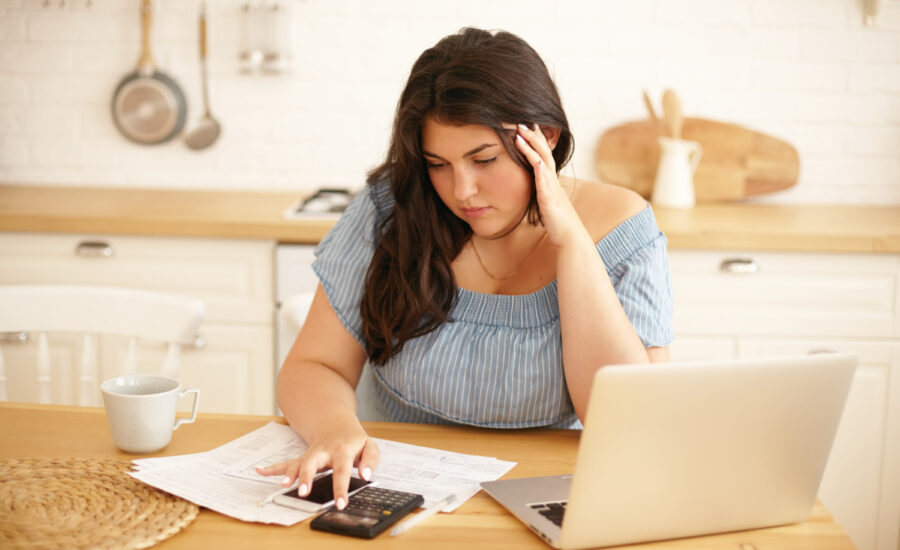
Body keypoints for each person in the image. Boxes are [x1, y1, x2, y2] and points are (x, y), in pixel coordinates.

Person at [257, 27, 673, 510]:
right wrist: (334, 430)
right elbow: (314, 364)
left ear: (545, 138)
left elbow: (624, 426)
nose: (462, 191)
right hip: (390, 490)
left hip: (546, 496)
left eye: (484, 159)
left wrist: (573, 243)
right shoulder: (393, 208)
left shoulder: (622, 227)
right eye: (438, 163)